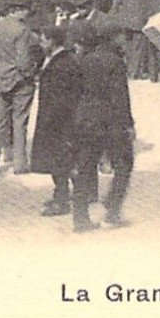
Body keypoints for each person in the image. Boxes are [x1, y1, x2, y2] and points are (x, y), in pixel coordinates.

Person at [70, 20, 135, 232]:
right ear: (114, 37)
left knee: (85, 166)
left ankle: (80, 218)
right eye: (122, 36)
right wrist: (128, 124)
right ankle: (112, 208)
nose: (124, 41)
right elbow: (120, 96)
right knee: (124, 164)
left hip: (86, 119)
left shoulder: (84, 60)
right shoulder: (114, 62)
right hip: (110, 120)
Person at [0, 0, 41, 175]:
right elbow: (23, 61)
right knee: (19, 120)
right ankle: (20, 163)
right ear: (17, 9)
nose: (28, 13)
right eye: (25, 9)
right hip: (18, 81)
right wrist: (32, 74)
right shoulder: (22, 30)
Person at [31, 24, 83, 218]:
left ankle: (63, 201)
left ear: (52, 41)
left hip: (58, 122)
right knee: (60, 161)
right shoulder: (55, 59)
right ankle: (66, 195)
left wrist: (51, 120)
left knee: (60, 162)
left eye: (44, 38)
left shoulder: (62, 64)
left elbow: (63, 98)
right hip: (54, 119)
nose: (41, 42)